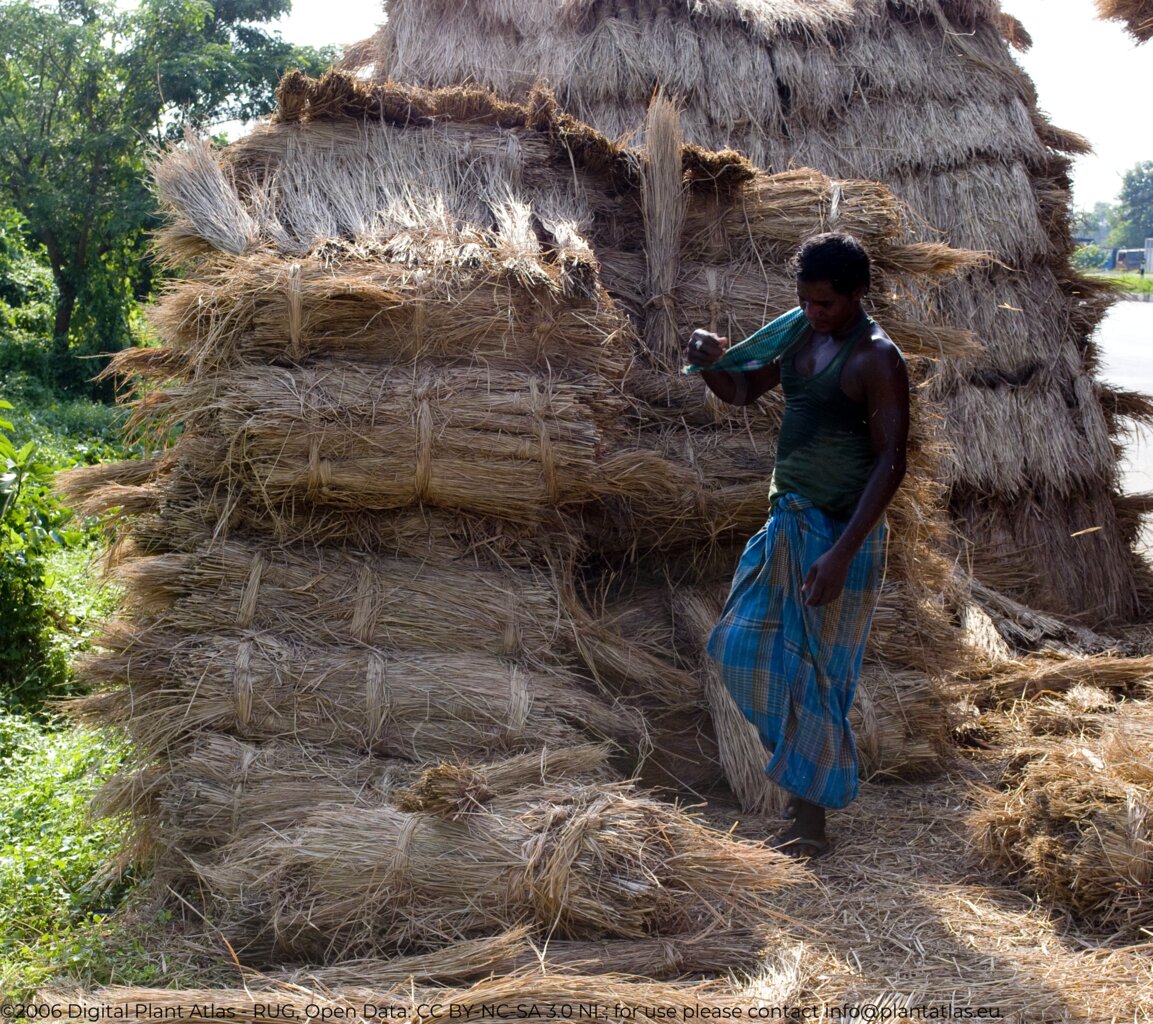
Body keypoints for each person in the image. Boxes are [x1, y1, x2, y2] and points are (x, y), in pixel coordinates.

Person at [683, 232, 909, 859]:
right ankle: (810, 783)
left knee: (819, 673)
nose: (813, 312)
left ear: (858, 294)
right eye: (805, 300)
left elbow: (892, 461)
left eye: (825, 303)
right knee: (737, 645)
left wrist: (840, 554)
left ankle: (807, 818)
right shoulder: (799, 333)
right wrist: (708, 361)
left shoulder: (877, 358)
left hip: (840, 534)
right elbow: (742, 391)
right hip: (787, 522)